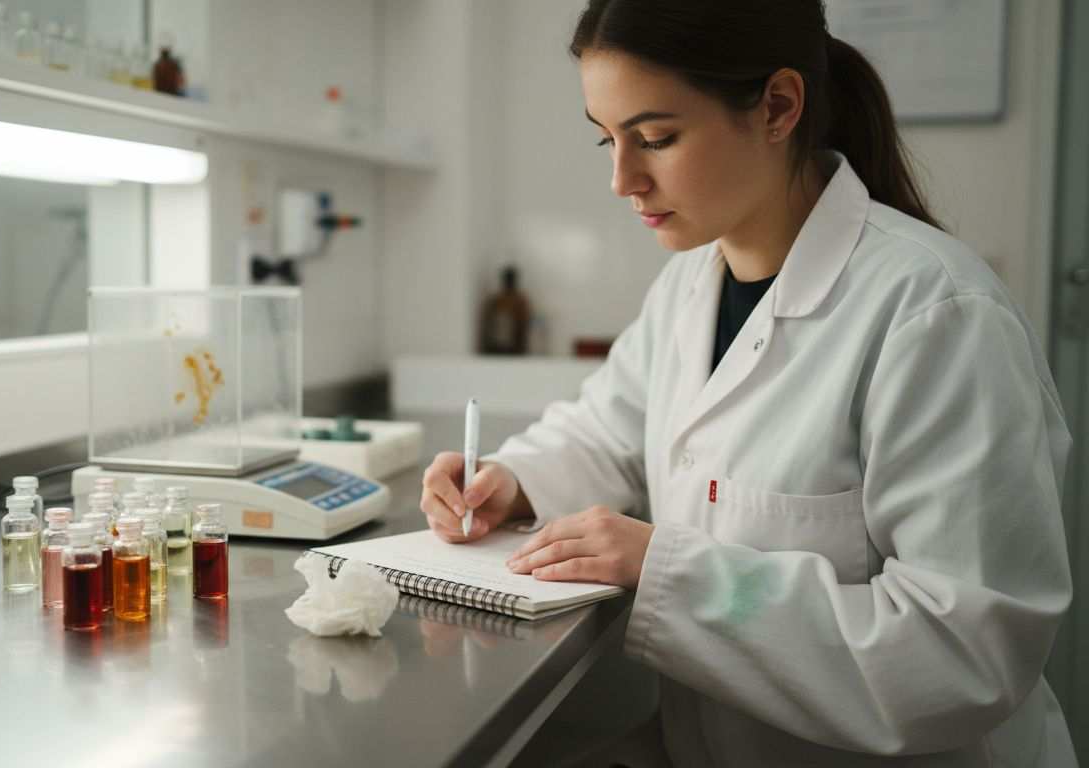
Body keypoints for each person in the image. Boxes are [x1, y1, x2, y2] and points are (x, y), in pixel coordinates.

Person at [418, 1, 1077, 765]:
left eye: (655, 138)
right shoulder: (688, 286)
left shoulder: (935, 312)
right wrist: (511, 480)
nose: (622, 179)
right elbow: (606, 428)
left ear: (778, 107)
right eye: (608, 138)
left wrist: (666, 572)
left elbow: (961, 654)